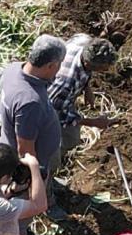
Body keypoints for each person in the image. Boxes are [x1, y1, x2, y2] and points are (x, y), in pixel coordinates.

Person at [0, 35, 69, 194]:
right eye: (59, 65)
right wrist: (37, 177)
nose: (59, 69)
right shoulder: (30, 102)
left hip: (9, 142)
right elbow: (26, 152)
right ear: (50, 65)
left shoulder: (12, 69)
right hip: (38, 158)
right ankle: (48, 202)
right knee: (41, 184)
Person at [44, 33, 117, 175]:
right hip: (48, 113)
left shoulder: (84, 41)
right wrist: (94, 122)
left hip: (62, 102)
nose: (106, 70)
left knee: (72, 139)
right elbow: (57, 115)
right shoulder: (65, 83)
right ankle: (51, 170)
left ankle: (63, 153)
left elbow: (86, 68)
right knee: (60, 147)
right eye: (103, 68)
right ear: (90, 64)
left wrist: (86, 88)